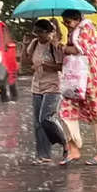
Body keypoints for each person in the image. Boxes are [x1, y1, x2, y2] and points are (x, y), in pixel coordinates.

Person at [59, 9, 97, 166]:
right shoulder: (72, 32)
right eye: (64, 22)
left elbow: (80, 50)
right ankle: (74, 148)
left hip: (91, 77)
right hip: (74, 78)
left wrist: (63, 48)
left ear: (77, 19)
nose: (66, 25)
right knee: (66, 111)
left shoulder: (86, 27)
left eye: (68, 22)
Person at [27, 18, 68, 164]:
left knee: (46, 118)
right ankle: (43, 155)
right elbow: (27, 62)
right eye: (36, 32)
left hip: (53, 85)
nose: (38, 35)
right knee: (37, 122)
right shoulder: (34, 44)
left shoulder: (54, 46)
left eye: (41, 32)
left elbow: (61, 66)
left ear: (48, 32)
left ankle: (65, 142)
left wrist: (47, 66)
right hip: (37, 85)